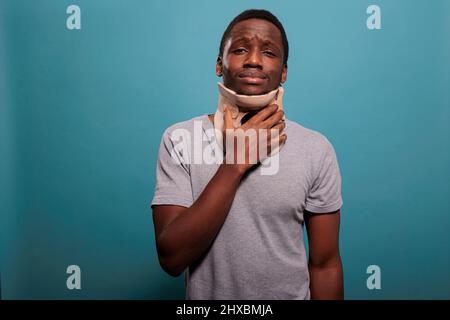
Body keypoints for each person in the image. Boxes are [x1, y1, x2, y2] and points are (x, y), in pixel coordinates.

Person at [150, 9, 344, 300]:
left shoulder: (316, 148)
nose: (253, 60)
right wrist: (236, 163)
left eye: (269, 52)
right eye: (240, 49)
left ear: (284, 71)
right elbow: (172, 259)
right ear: (219, 64)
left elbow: (325, 265)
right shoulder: (179, 139)